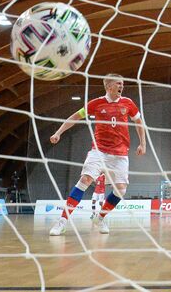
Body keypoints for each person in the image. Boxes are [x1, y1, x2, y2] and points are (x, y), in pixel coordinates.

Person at [49, 74, 146, 236]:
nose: (122, 86)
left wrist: (143, 143)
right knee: (85, 180)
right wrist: (59, 132)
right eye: (118, 84)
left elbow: (138, 122)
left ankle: (100, 218)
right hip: (99, 151)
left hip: (121, 154)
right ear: (109, 86)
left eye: (123, 84)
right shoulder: (96, 103)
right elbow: (75, 117)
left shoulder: (128, 103)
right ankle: (62, 221)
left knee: (121, 190)